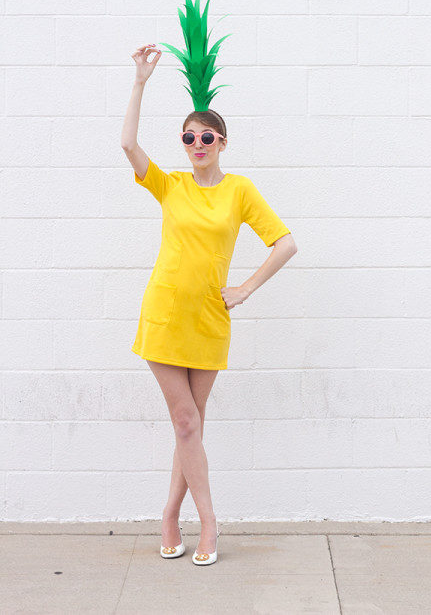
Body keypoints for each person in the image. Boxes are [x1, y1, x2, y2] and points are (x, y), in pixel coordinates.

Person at [121, 43, 298, 565]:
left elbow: (285, 243)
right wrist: (139, 81)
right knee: (185, 422)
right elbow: (127, 142)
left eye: (206, 137)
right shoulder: (169, 185)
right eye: (188, 137)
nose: (196, 143)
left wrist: (244, 288)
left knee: (190, 424)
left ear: (222, 142)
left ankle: (170, 514)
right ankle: (208, 523)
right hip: (164, 315)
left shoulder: (240, 190)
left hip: (209, 320)